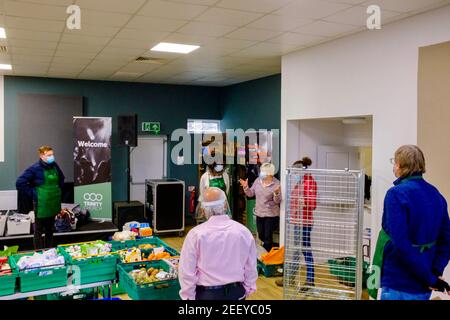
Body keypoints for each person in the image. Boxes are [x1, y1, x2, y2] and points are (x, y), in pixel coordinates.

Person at [369, 145, 450, 300]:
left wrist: (430, 277)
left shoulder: (396, 194)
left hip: (399, 281)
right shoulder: (436, 194)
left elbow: (401, 243)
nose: (394, 166)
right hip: (424, 282)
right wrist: (434, 272)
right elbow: (446, 240)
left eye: (394, 162)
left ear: (399, 165)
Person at [178, 187, 257, 300]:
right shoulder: (243, 231)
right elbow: (251, 266)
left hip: (207, 295)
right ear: (225, 205)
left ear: (203, 210)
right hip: (236, 293)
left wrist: (188, 297)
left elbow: (186, 272)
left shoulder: (196, 235)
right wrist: (247, 289)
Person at [276, 157, 317, 290]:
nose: (293, 174)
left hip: (304, 222)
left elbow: (312, 204)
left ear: (301, 170)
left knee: (305, 250)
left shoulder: (309, 183)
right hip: (297, 221)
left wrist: (304, 203)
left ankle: (309, 280)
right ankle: (290, 278)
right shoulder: (300, 182)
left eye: (295, 171)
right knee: (297, 250)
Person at [16, 146, 65, 249]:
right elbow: (20, 183)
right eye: (49, 155)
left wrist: (57, 190)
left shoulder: (54, 165)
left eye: (52, 154)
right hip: (41, 204)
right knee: (38, 231)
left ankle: (49, 251)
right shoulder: (34, 168)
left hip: (53, 203)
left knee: (50, 230)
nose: (52, 157)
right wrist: (34, 194)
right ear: (42, 156)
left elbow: (61, 178)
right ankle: (39, 254)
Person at [239, 162, 282, 252]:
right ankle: (269, 251)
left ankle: (267, 257)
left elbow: (277, 201)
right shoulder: (258, 181)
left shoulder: (276, 184)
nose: (260, 173)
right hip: (259, 213)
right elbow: (250, 194)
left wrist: (276, 193)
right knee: (261, 235)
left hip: (271, 215)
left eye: (262, 171)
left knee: (267, 238)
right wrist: (246, 187)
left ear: (269, 174)